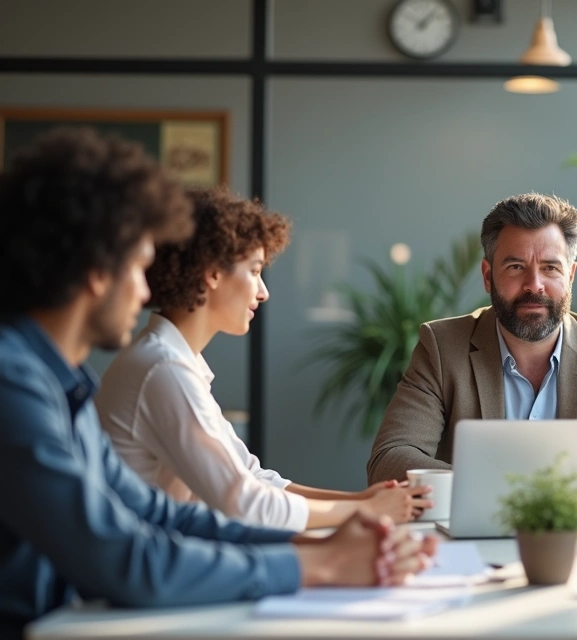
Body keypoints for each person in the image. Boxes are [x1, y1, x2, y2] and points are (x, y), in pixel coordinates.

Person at [0, 129, 435, 640]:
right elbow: (125, 559)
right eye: (138, 267)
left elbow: (156, 514)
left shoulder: (58, 384)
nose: (145, 290)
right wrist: (322, 564)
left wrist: (317, 548)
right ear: (95, 272)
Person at [97, 186, 431, 531]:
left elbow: (252, 477)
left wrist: (359, 501)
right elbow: (243, 503)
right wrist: (365, 511)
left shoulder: (175, 363)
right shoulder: (164, 369)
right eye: (254, 271)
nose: (263, 292)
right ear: (213, 272)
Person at [366, 193, 577, 504]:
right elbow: (390, 458)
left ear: (570, 276)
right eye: (516, 267)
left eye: (550, 267)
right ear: (488, 276)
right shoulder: (443, 347)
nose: (534, 285)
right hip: (475, 538)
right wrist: (512, 491)